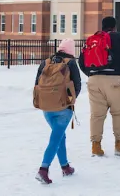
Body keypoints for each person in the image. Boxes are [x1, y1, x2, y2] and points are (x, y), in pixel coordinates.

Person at [78, 16, 120, 157]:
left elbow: (81, 61)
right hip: (115, 80)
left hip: (94, 81)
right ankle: (119, 145)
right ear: (114, 27)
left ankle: (96, 146)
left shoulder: (92, 40)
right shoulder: (119, 37)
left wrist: (91, 73)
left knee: (97, 115)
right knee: (118, 113)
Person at [34, 38, 82, 185]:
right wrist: (70, 101)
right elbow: (77, 85)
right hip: (63, 108)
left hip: (46, 108)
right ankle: (43, 169)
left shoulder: (46, 62)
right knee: (56, 138)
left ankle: (65, 167)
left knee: (60, 136)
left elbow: (37, 83)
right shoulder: (71, 63)